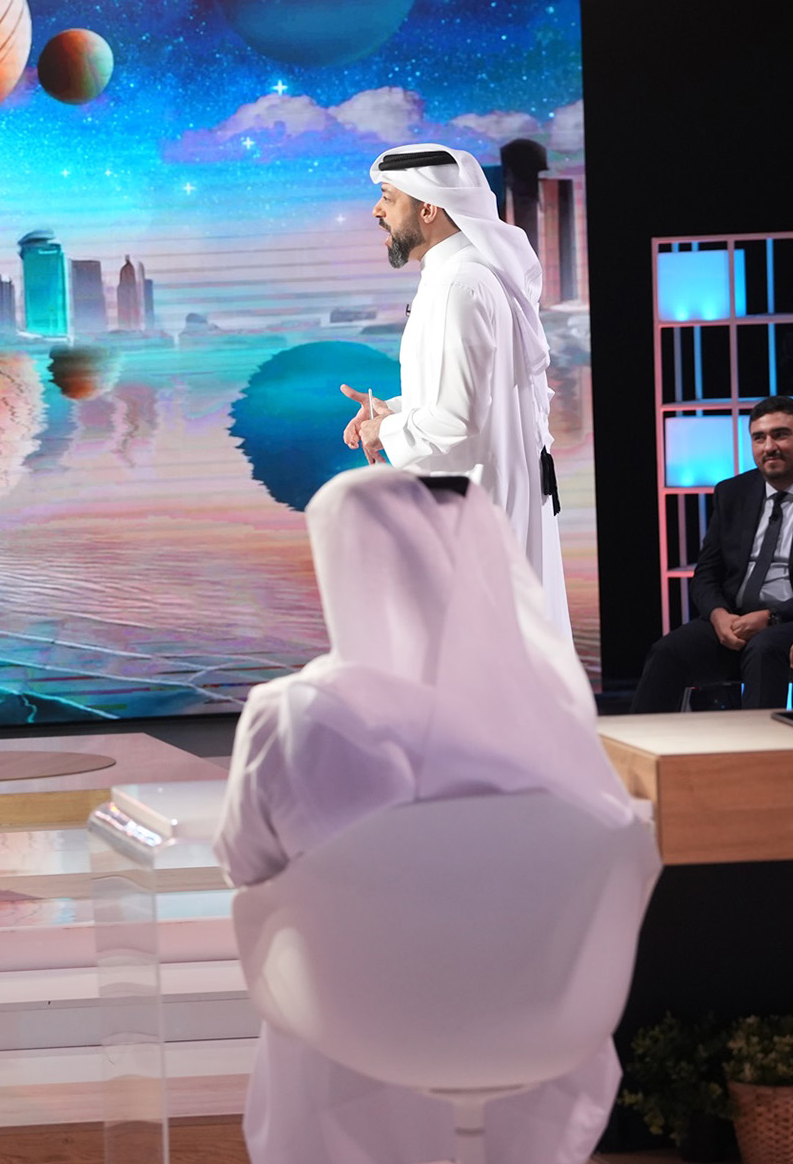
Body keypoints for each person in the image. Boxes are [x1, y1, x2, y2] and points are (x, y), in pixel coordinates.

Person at [216, 464, 638, 1164]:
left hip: (356, 1027)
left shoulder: (295, 716)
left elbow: (243, 864)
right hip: (537, 1021)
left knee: (312, 942)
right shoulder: (549, 715)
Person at [338, 143, 570, 638]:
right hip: (482, 498)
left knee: (475, 654)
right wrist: (390, 410)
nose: (377, 211)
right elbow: (479, 390)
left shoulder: (458, 285)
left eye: (388, 198)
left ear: (428, 207)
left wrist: (385, 431)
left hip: (471, 507)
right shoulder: (461, 275)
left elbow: (454, 418)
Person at [628, 395, 793, 712]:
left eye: (780, 435)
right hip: (734, 621)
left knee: (763, 649)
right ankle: (640, 742)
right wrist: (718, 615)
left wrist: (772, 617)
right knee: (668, 652)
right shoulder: (733, 492)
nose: (769, 447)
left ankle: (757, 744)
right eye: (759, 438)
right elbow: (706, 574)